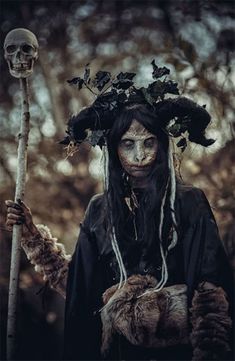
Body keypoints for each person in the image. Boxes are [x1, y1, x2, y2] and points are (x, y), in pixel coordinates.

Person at [6, 63, 233, 360]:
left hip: (179, 351)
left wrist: (211, 352)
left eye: (148, 143)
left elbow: (210, 287)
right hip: (120, 352)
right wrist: (32, 234)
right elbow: (80, 287)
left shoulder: (188, 201)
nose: (139, 156)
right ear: (114, 150)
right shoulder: (100, 209)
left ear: (161, 146)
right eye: (128, 145)